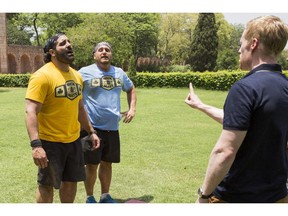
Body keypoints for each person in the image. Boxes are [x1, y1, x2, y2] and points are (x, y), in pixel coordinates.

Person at [185, 15, 288, 203]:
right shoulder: (284, 87)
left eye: (241, 43)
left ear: (253, 44)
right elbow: (250, 122)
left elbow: (225, 151)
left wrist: (204, 195)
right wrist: (201, 106)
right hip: (278, 197)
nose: (239, 49)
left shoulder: (245, 88)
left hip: (237, 197)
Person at [25, 32, 100, 203]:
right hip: (50, 142)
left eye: (69, 42)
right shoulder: (42, 76)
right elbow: (31, 111)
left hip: (73, 141)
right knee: (46, 185)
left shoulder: (76, 75)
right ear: (52, 52)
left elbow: (80, 107)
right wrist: (36, 145)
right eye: (62, 43)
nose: (69, 45)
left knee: (70, 182)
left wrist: (91, 131)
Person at [79, 42, 137, 203]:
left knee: (107, 163)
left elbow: (131, 88)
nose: (104, 52)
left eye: (107, 50)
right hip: (91, 128)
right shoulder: (84, 72)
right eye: (100, 50)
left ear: (111, 54)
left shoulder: (119, 73)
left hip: (112, 128)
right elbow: (74, 94)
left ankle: (105, 196)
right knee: (91, 164)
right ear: (94, 55)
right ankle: (89, 198)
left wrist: (132, 109)